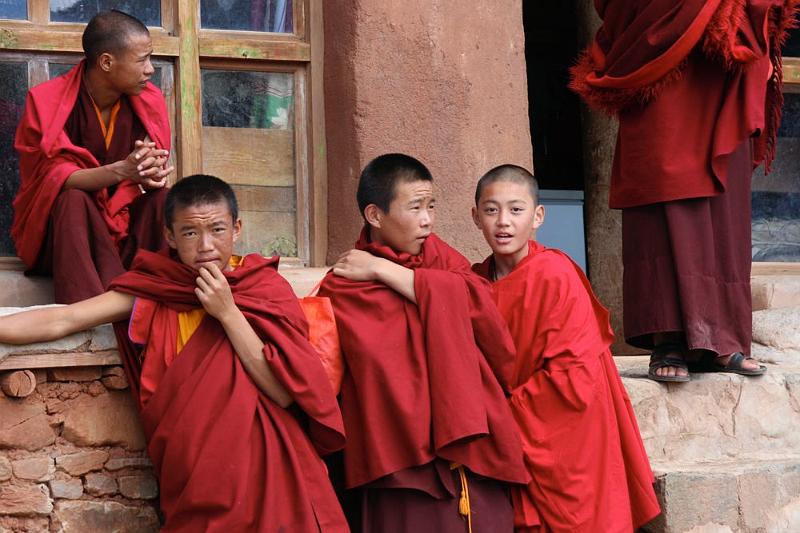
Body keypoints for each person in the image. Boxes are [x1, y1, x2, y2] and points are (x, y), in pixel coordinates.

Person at [0, 175, 349, 532]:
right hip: (195, 474)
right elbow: (65, 318)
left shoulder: (265, 289)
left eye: (217, 229)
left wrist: (227, 312)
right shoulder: (158, 288)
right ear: (169, 236)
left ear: (237, 228)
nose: (206, 246)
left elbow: (282, 393)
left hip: (267, 473)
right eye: (190, 233)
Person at [570, 0, 798, 381]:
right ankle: (668, 339)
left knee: (723, 207)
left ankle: (723, 339)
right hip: (657, 61)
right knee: (662, 199)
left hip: (719, 69)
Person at [319, 153, 528, 532]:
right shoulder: (345, 285)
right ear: (374, 215)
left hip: (473, 451)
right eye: (415, 207)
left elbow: (483, 313)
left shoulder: (441, 259)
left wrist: (386, 271)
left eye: (431, 206)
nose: (428, 219)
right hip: (399, 460)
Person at [471, 164, 661, 532]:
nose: (503, 222)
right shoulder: (474, 282)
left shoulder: (554, 275)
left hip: (561, 439)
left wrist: (502, 416)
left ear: (538, 216)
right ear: (475, 216)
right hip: (505, 437)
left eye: (516, 209)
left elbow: (574, 377)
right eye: (491, 210)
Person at [13, 10, 174, 304]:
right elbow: (55, 181)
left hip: (121, 226)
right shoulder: (46, 101)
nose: (150, 70)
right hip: (66, 238)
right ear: (107, 62)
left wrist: (149, 176)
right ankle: (90, 310)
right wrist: (125, 170)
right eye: (142, 60)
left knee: (163, 201)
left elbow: (148, 176)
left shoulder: (148, 102)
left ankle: (159, 303)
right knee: (74, 199)